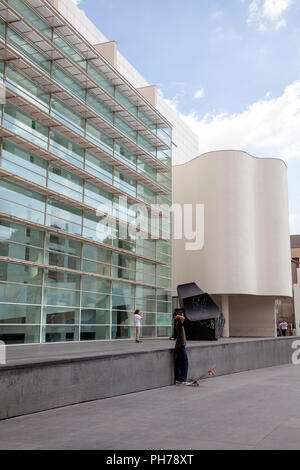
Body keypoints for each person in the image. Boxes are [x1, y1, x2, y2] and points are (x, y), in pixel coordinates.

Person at [173, 309, 189, 385]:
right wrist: (178, 316)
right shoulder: (179, 322)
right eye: (181, 314)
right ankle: (183, 380)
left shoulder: (177, 323)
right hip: (181, 346)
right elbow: (183, 318)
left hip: (178, 346)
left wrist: (177, 316)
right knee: (185, 362)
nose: (183, 315)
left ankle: (178, 379)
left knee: (179, 363)